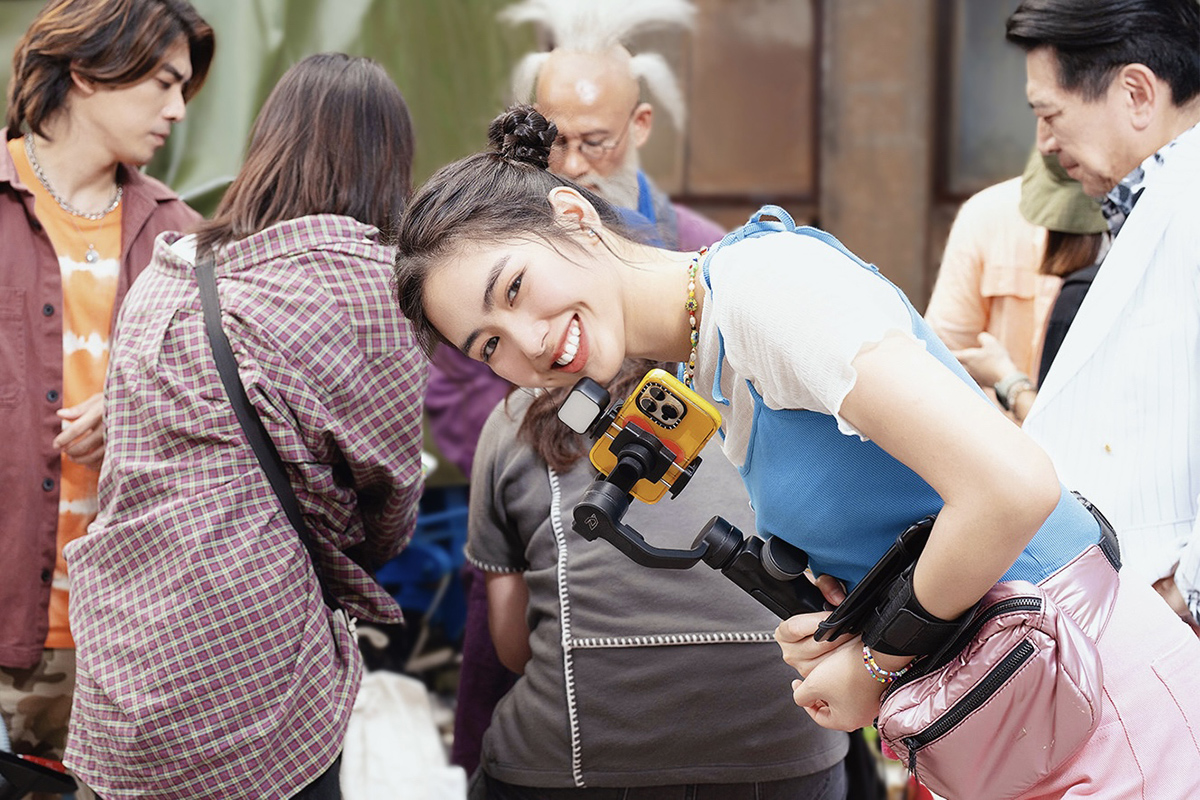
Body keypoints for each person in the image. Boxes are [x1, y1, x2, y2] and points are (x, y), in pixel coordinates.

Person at [393, 105, 1200, 798]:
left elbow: (1011, 487)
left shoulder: (764, 293)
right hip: (1024, 706)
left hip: (1097, 693)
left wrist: (875, 663)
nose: (529, 343)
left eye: (514, 288)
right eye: (488, 342)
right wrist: (850, 623)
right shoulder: (712, 344)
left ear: (572, 217)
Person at [62, 53, 427, 799]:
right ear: (388, 161)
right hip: (258, 679)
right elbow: (388, 505)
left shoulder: (169, 272)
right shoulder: (369, 288)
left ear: (270, 143)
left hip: (123, 663)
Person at [0, 0, 213, 789]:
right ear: (88, 69)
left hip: (127, 644)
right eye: (162, 82)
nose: (177, 109)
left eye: (184, 87)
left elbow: (228, 424)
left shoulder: (180, 238)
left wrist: (138, 412)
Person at [465, 361, 849, 799]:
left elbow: (512, 648)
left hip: (564, 762)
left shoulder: (521, 416)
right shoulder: (797, 396)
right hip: (790, 756)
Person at [1006, 0, 1200, 631]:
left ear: (1137, 92)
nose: (1045, 142)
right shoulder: (1153, 205)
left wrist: (1180, 600)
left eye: (1049, 113)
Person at [501, 0, 725, 252]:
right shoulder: (511, 239)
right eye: (557, 141)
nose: (573, 167)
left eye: (595, 143)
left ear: (639, 124)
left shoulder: (702, 249)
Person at [926, 148, 1108, 423]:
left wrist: (1008, 380)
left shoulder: (1140, 227)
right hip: (991, 442)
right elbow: (944, 358)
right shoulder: (988, 215)